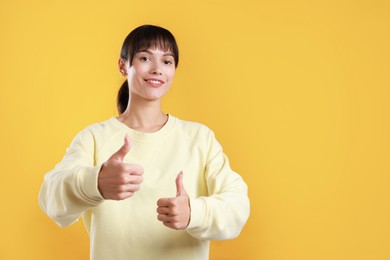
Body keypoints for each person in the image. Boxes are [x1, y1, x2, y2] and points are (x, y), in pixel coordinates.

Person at [39, 24, 250, 260]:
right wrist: (95, 182)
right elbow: (50, 199)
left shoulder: (199, 138)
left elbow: (238, 205)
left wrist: (194, 212)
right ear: (123, 65)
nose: (157, 69)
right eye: (145, 57)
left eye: (167, 61)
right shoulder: (95, 138)